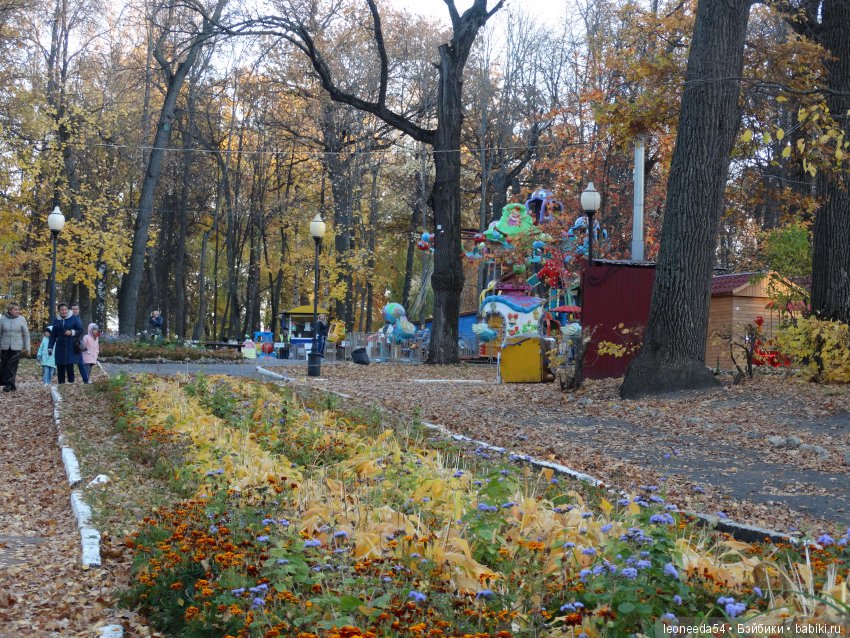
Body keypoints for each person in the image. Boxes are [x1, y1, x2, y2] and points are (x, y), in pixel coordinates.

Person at [48, 302, 87, 384]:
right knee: (60, 365)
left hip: (71, 346)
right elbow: (53, 335)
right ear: (59, 311)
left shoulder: (74, 318)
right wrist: (50, 347)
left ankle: (71, 384)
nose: (64, 311)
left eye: (65, 309)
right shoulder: (56, 320)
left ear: (67, 310)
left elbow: (81, 331)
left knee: (69, 365)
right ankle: (61, 384)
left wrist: (72, 332)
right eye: (62, 310)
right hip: (60, 347)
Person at [0, 302, 31, 392]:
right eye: (15, 309)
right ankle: (11, 384)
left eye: (18, 309)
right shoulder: (2, 319)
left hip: (17, 346)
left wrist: (27, 348)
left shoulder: (22, 319)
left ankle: (8, 384)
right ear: (10, 310)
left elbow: (26, 334)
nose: (18, 311)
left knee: (12, 365)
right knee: (4, 365)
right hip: (4, 346)